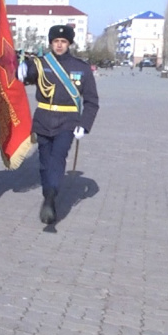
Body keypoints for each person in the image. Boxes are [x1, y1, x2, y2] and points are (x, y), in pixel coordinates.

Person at [17, 25, 100, 226]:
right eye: (56, 41)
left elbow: (91, 101)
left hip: (67, 121)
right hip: (43, 118)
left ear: (69, 43)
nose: (59, 45)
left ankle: (50, 197)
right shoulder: (41, 63)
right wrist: (20, 70)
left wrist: (84, 124)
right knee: (44, 162)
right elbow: (27, 75)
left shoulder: (81, 67)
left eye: (63, 41)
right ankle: (49, 193)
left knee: (58, 158)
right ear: (51, 43)